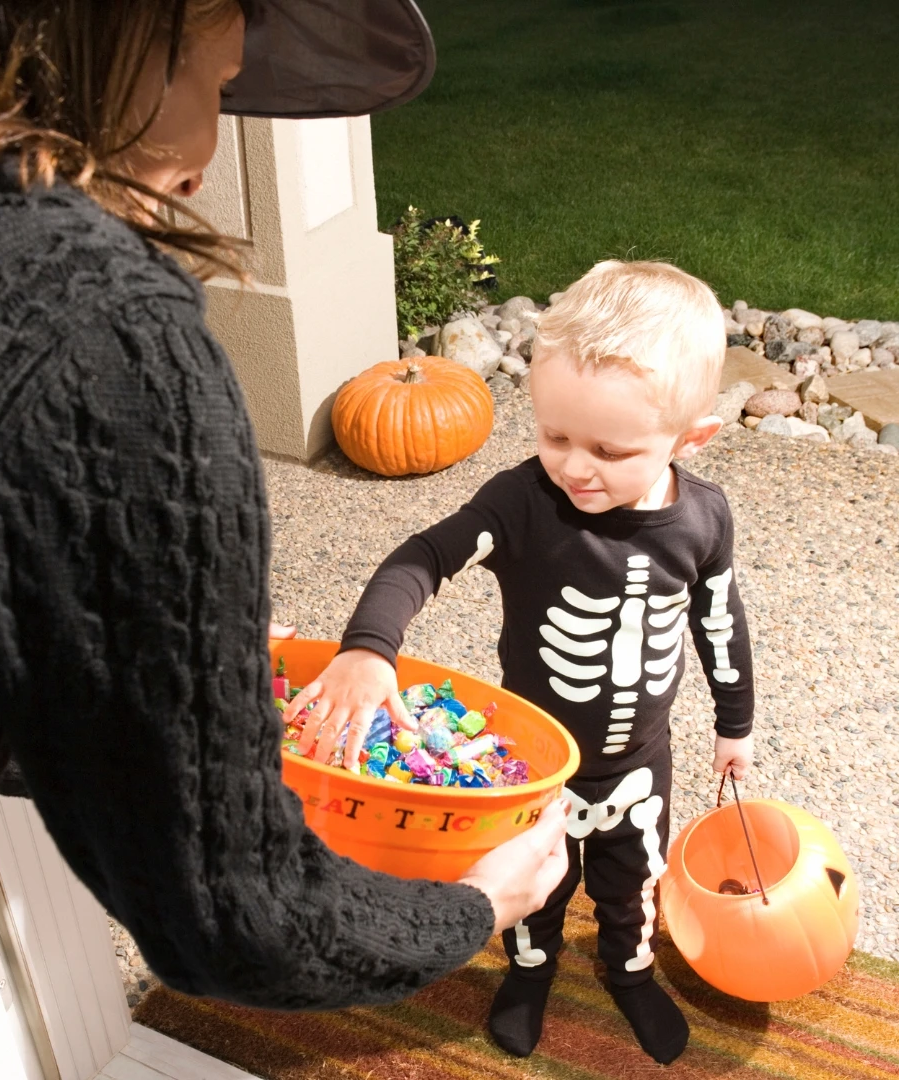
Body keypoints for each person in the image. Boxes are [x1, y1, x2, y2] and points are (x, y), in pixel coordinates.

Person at [0, 0, 571, 1004]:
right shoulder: (104, 339)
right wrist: (474, 904)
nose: (210, 154)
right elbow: (234, 914)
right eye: (217, 83)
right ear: (121, 38)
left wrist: (135, 659)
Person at [285, 260, 756, 1062]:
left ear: (691, 439)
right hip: (536, 762)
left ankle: (630, 971)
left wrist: (734, 725)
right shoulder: (524, 502)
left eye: (610, 448)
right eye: (554, 435)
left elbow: (719, 620)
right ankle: (530, 970)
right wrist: (369, 647)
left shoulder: (704, 519)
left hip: (642, 760)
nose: (575, 466)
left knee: (634, 879)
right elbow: (422, 558)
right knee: (533, 879)